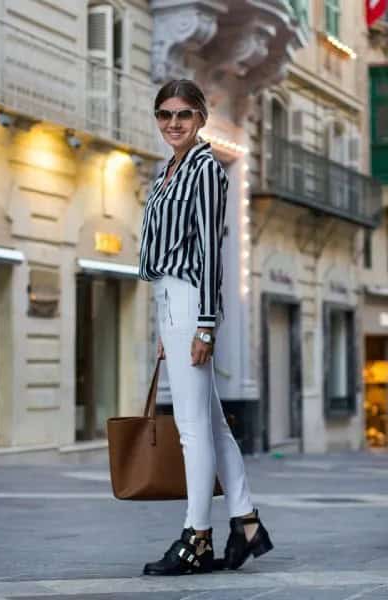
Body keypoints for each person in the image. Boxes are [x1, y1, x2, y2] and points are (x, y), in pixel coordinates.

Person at [138, 79, 273, 576]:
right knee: (212, 424)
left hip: (192, 299)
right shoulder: (167, 170)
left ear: (200, 118)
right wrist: (167, 328)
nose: (173, 123)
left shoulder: (205, 170)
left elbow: (210, 253)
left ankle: (197, 536)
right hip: (171, 302)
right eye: (165, 114)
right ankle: (247, 522)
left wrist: (205, 325)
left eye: (184, 114)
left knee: (192, 430)